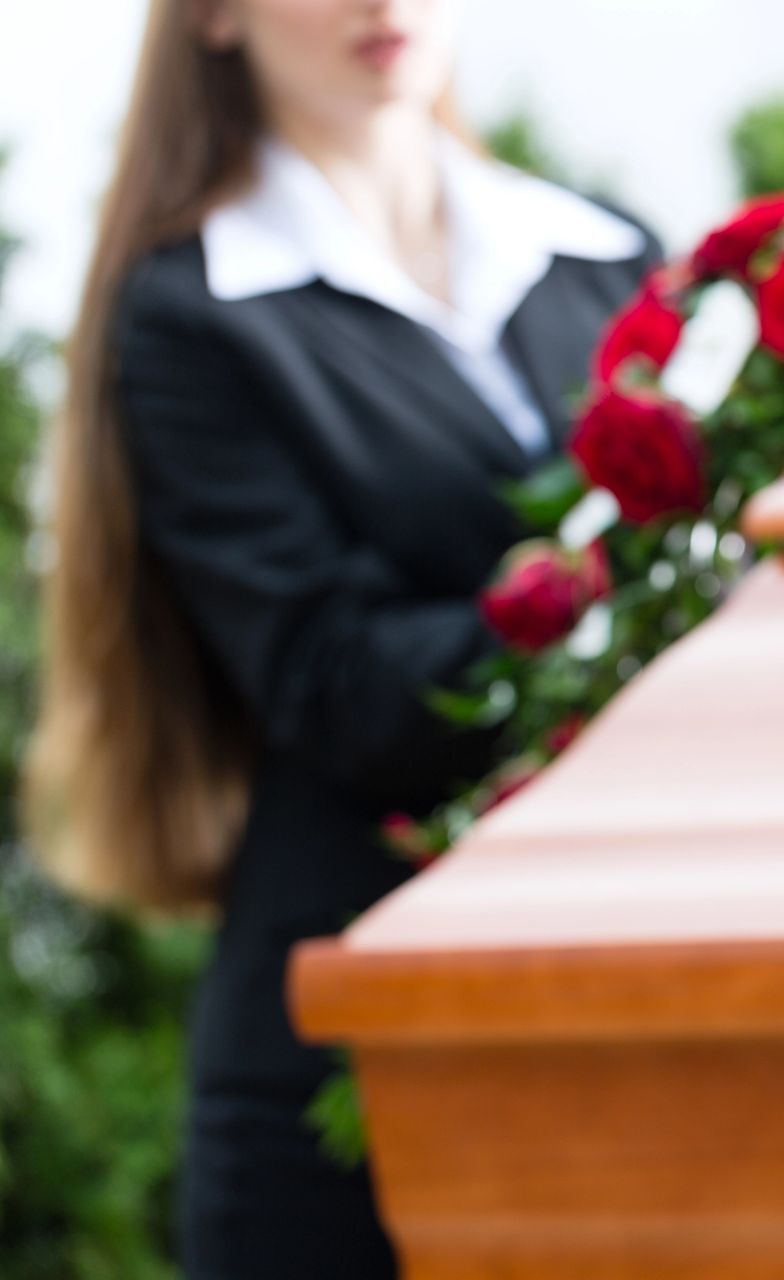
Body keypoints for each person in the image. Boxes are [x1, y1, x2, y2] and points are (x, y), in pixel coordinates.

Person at [24, 1, 659, 1275]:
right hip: (352, 1035)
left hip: (645, 979)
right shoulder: (195, 313)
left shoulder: (607, 257)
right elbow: (340, 684)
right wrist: (637, 608)